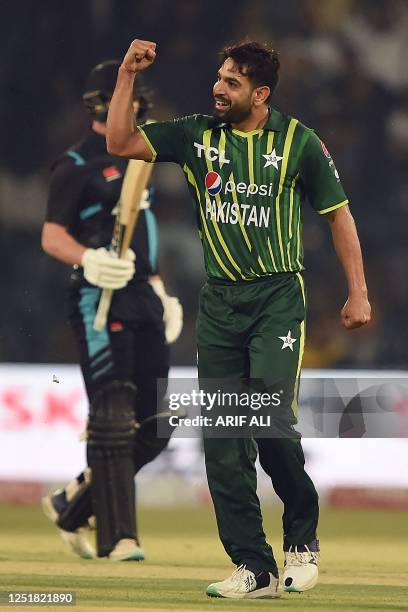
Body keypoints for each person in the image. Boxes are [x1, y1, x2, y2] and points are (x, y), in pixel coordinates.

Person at [106, 40, 371, 597]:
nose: (218, 89)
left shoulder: (299, 142)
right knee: (224, 438)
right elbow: (120, 140)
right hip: (220, 305)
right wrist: (127, 74)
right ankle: (254, 567)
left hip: (276, 297)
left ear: (260, 93)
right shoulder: (198, 134)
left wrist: (357, 294)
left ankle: (301, 542)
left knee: (267, 417)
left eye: (231, 83)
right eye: (219, 78)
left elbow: (338, 215)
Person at [41, 60, 183, 561]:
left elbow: (143, 234)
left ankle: (72, 504)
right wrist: (89, 259)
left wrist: (161, 288)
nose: (137, 104)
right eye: (129, 96)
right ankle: (120, 538)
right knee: (114, 414)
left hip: (142, 294)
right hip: (96, 295)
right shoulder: (75, 165)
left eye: (140, 97)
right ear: (101, 103)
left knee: (159, 423)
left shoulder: (141, 157)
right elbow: (52, 236)